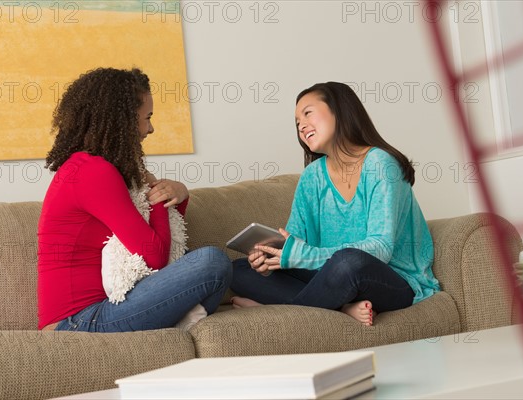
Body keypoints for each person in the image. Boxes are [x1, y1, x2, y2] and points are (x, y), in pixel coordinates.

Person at [37, 67, 232, 332]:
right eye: (147, 117)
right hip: (79, 321)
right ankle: (182, 318)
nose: (150, 128)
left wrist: (178, 194)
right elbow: (154, 257)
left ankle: (177, 319)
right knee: (212, 261)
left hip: (104, 308)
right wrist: (154, 193)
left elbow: (160, 236)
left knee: (235, 269)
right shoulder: (92, 171)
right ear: (123, 120)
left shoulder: (95, 167)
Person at [230, 82, 439, 326]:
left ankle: (283, 312)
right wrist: (273, 259)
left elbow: (381, 248)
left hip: (391, 278)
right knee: (237, 270)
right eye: (297, 122)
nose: (301, 126)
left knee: (348, 261)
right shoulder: (312, 176)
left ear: (339, 111)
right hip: (330, 276)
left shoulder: (380, 164)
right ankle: (340, 308)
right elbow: (297, 244)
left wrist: (303, 255)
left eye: (308, 113)